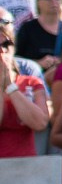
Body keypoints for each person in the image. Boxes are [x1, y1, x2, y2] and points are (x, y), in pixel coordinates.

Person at [0, 13, 50, 158]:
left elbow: (41, 123)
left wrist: (11, 87)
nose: (3, 50)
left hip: (25, 169)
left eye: (7, 44)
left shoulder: (31, 82)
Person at [16, 0, 62, 73]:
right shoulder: (28, 29)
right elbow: (15, 59)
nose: (53, 0)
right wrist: (37, 63)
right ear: (38, 1)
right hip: (35, 82)